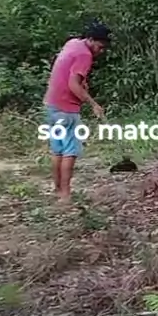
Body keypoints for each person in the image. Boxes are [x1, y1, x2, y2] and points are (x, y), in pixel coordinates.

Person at [44, 22, 111, 202]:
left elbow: (68, 72)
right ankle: (65, 195)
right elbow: (73, 85)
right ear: (90, 40)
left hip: (51, 103)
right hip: (66, 108)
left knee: (57, 150)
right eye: (100, 46)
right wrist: (94, 104)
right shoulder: (85, 55)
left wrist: (82, 83)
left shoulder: (73, 43)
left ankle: (58, 190)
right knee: (70, 151)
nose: (100, 51)